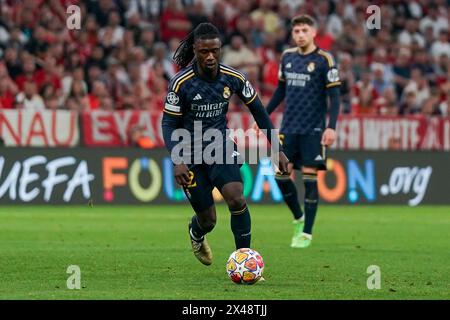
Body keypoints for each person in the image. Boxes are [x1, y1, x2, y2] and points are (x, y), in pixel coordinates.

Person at [161, 23, 289, 266]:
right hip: (189, 153)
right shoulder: (181, 83)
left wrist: (277, 149)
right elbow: (168, 124)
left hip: (219, 147)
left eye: (215, 51)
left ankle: (245, 261)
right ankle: (196, 232)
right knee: (208, 220)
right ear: (195, 50)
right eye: (203, 52)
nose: (210, 57)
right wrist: (177, 160)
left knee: (236, 198)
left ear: (220, 49)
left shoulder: (234, 77)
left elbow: (260, 113)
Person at [254, 15, 341, 248]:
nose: (300, 34)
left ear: (314, 32)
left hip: (313, 129)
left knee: (310, 178)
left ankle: (307, 233)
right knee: (280, 175)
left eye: (304, 30)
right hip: (289, 127)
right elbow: (280, 91)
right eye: (296, 31)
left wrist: (331, 127)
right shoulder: (287, 57)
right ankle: (298, 217)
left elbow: (334, 96)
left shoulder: (325, 59)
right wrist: (262, 115)